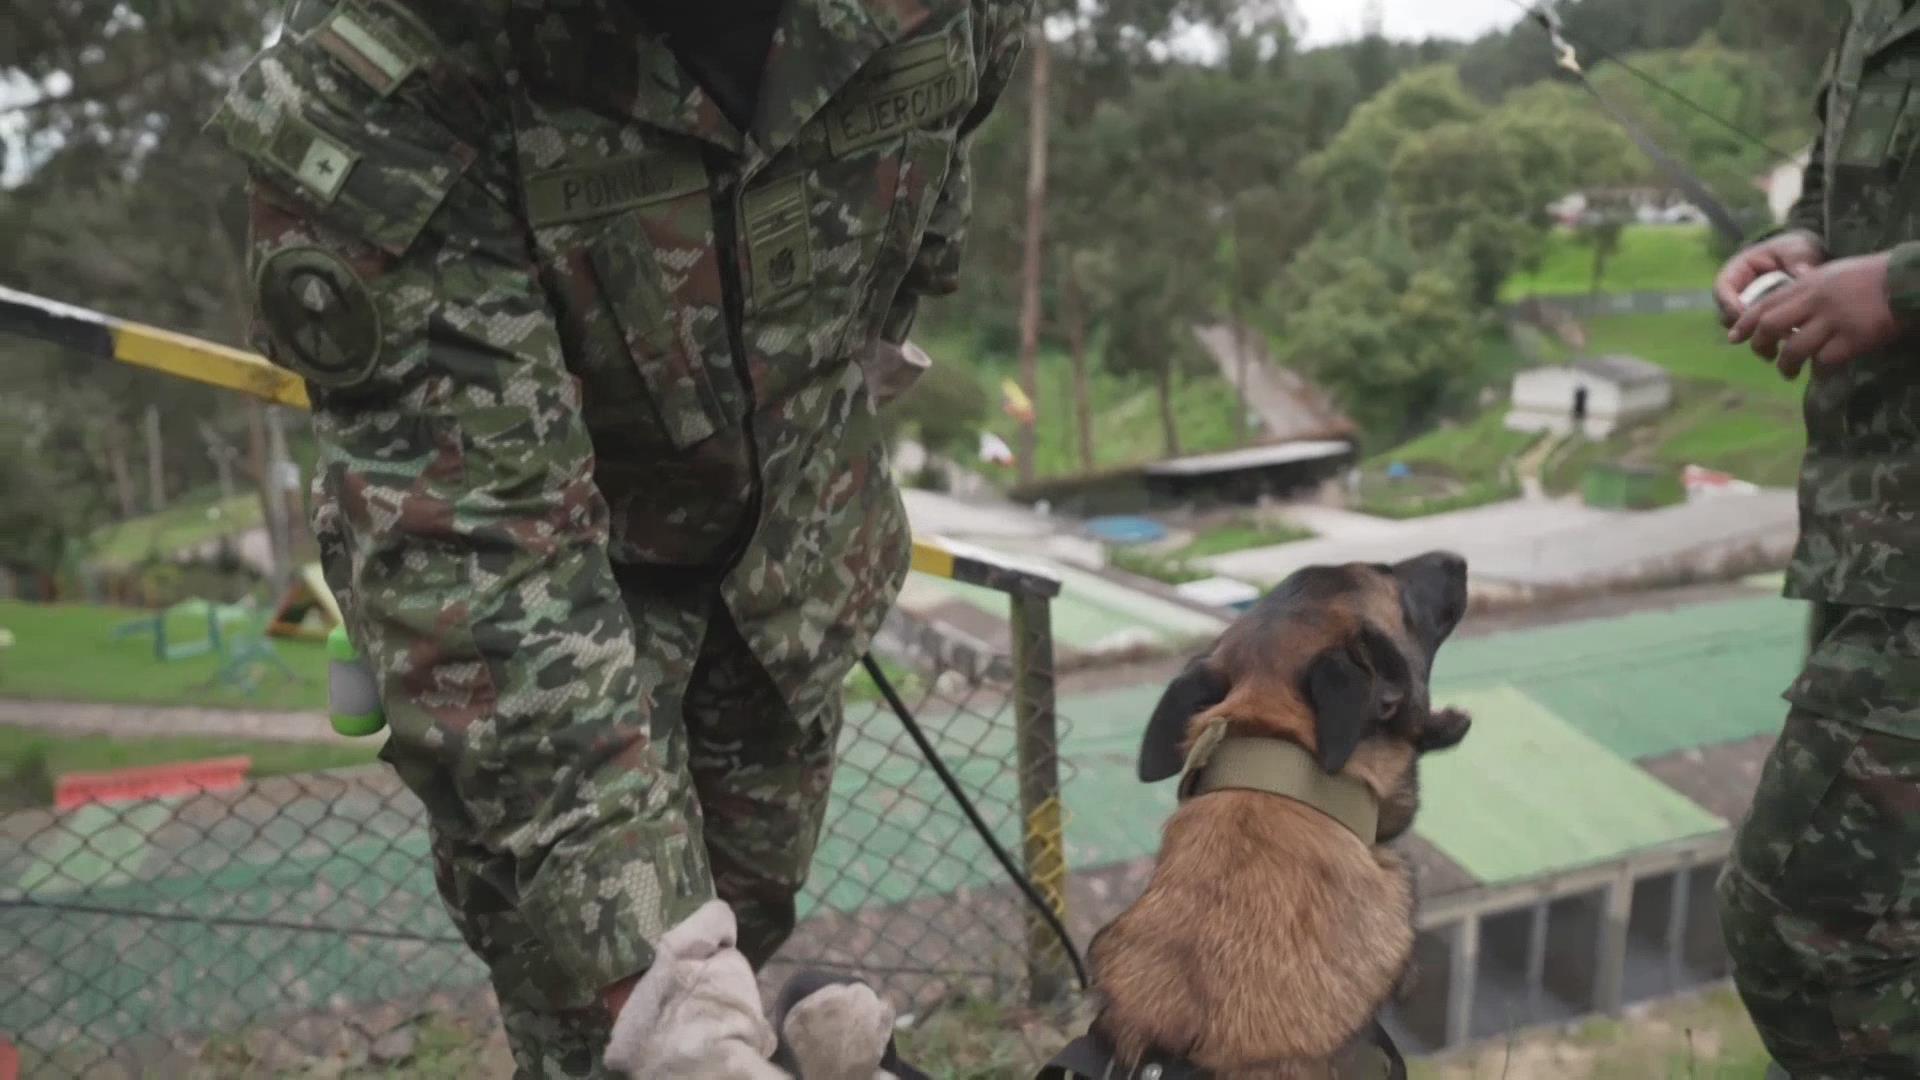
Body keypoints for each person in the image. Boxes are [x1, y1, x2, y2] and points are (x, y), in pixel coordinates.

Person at [207, 0, 1029, 1074]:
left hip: (789, 593)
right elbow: (479, 553)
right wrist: (666, 992)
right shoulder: (395, 65)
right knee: (622, 1024)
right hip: (555, 655)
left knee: (746, 924)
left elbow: (932, 191)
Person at [1714, 4, 1920, 1075]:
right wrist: (1809, 237)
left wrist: (1896, 287)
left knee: (1801, 927)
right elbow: (1860, 167)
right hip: (1873, 537)